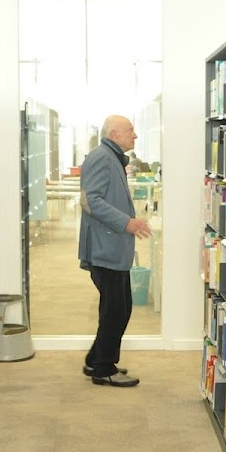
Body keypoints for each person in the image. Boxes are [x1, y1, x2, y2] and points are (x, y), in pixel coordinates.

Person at [77, 115, 151, 387]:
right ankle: (103, 369)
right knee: (116, 310)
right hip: (104, 248)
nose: (135, 136)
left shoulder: (111, 157)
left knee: (116, 307)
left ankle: (95, 359)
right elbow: (90, 201)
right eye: (131, 130)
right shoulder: (101, 157)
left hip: (111, 248)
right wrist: (126, 222)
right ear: (115, 134)